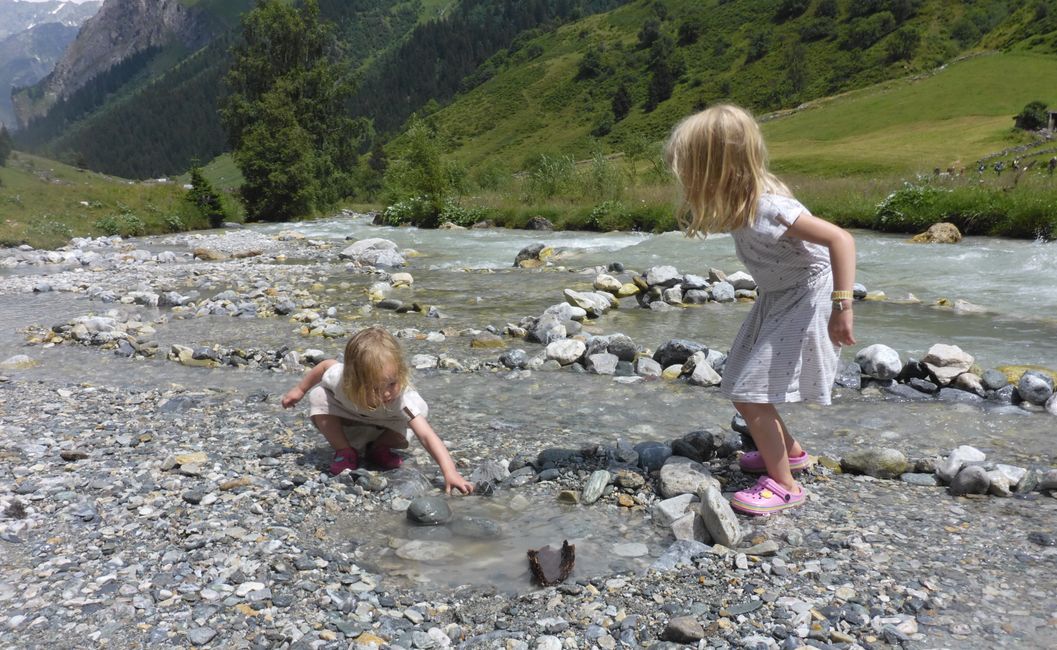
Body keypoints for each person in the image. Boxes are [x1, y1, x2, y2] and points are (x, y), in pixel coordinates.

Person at [665, 104, 856, 515]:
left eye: (690, 171)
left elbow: (840, 239)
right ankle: (791, 453)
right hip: (779, 295)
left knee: (751, 392)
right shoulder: (741, 202)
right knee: (737, 378)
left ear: (716, 167)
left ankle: (785, 486)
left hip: (806, 295)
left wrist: (842, 306)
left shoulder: (769, 207)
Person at [282, 326, 474, 494]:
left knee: (413, 421)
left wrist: (450, 472)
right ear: (352, 381)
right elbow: (325, 366)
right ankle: (345, 451)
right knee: (318, 396)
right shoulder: (340, 378)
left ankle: (379, 448)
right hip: (352, 416)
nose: (387, 393)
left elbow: (426, 435)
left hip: (388, 424)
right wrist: (300, 390)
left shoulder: (402, 401)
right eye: (375, 388)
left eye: (392, 383)